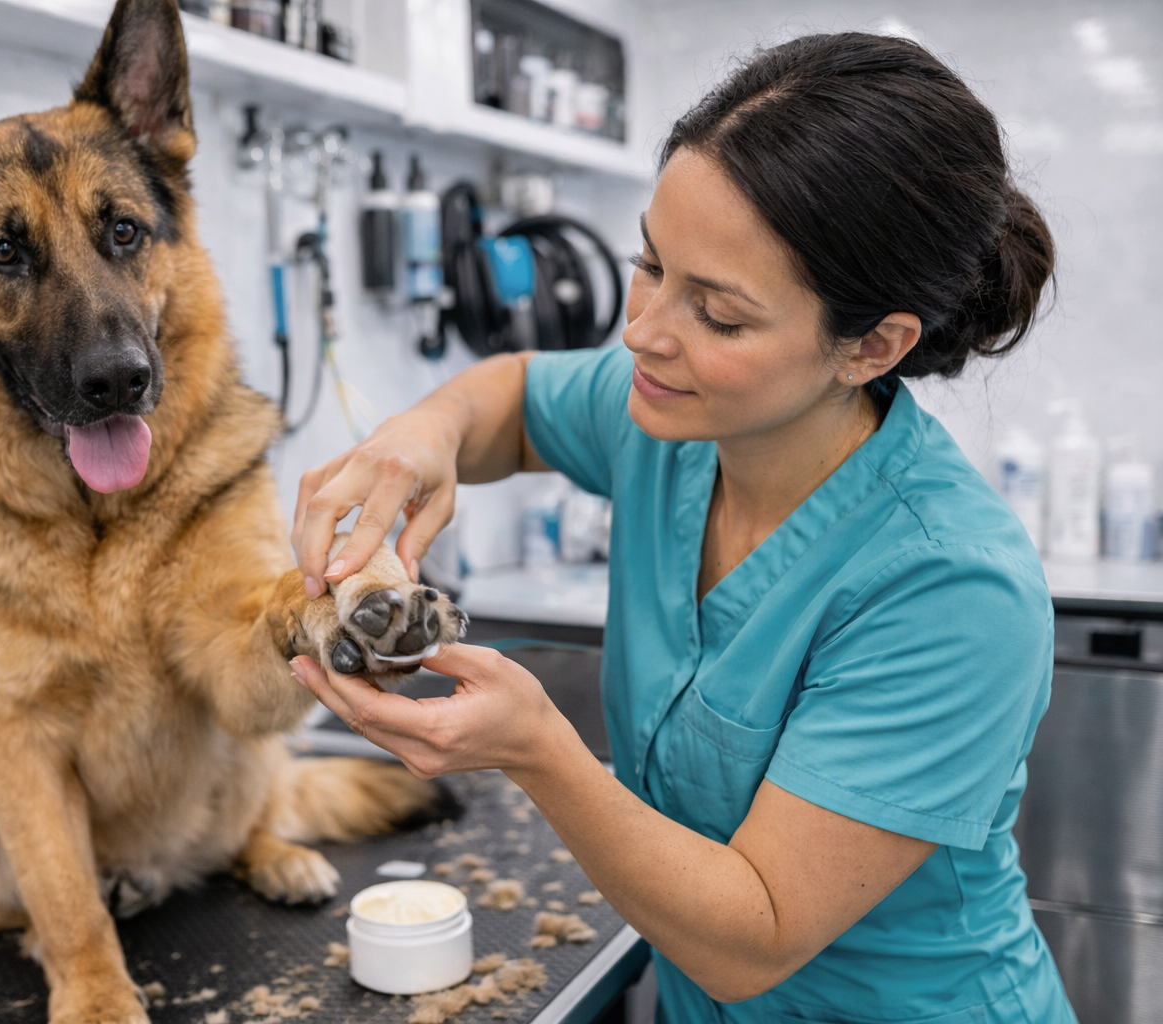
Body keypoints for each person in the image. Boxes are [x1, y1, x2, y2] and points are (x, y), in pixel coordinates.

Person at [288, 31, 1074, 1024]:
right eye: (650, 265)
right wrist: (420, 434)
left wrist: (537, 748)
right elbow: (516, 397)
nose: (645, 331)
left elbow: (755, 932)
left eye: (722, 315)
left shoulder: (953, 587)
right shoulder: (674, 417)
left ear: (872, 344)